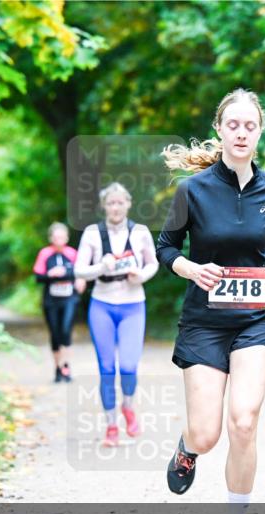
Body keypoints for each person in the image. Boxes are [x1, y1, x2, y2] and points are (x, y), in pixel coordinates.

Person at [156, 88, 265, 514]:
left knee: (244, 420)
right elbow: (166, 247)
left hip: (255, 320)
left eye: (250, 125)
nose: (241, 133)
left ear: (260, 132)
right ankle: (188, 447)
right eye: (232, 125)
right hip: (204, 323)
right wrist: (192, 269)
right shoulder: (191, 191)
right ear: (220, 129)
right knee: (208, 433)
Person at [73, 182, 159, 447]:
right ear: (104, 206)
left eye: (120, 202)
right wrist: (101, 266)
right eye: (111, 202)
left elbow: (152, 262)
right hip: (102, 304)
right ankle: (111, 426)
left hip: (133, 304)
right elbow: (78, 270)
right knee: (107, 370)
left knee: (129, 367)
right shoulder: (92, 233)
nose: (115, 207)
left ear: (128, 204)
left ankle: (129, 407)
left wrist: (141, 276)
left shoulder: (140, 232)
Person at [33, 222, 86, 382]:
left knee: (65, 330)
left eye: (62, 237)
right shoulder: (45, 254)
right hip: (51, 300)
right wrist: (51, 274)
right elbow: (38, 277)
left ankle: (66, 367)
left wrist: (80, 280)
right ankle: (57, 368)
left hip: (69, 298)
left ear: (67, 238)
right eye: (56, 237)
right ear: (51, 238)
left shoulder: (72, 253)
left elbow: (81, 272)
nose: (59, 240)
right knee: (55, 333)